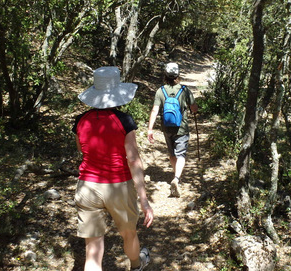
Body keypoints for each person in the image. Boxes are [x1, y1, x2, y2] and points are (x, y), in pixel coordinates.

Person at [72, 66, 154, 271]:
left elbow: (83, 152)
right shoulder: (124, 121)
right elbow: (133, 160)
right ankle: (136, 265)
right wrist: (144, 200)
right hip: (119, 186)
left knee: (92, 249)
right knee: (129, 233)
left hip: (87, 187)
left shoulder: (80, 121)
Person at [147, 62, 198, 197]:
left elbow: (154, 110)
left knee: (172, 153)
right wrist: (194, 109)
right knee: (180, 154)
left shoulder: (160, 91)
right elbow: (194, 107)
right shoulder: (184, 90)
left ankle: (177, 175)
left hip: (166, 127)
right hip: (181, 127)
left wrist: (150, 129)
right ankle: (176, 178)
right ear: (178, 75)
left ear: (165, 75)